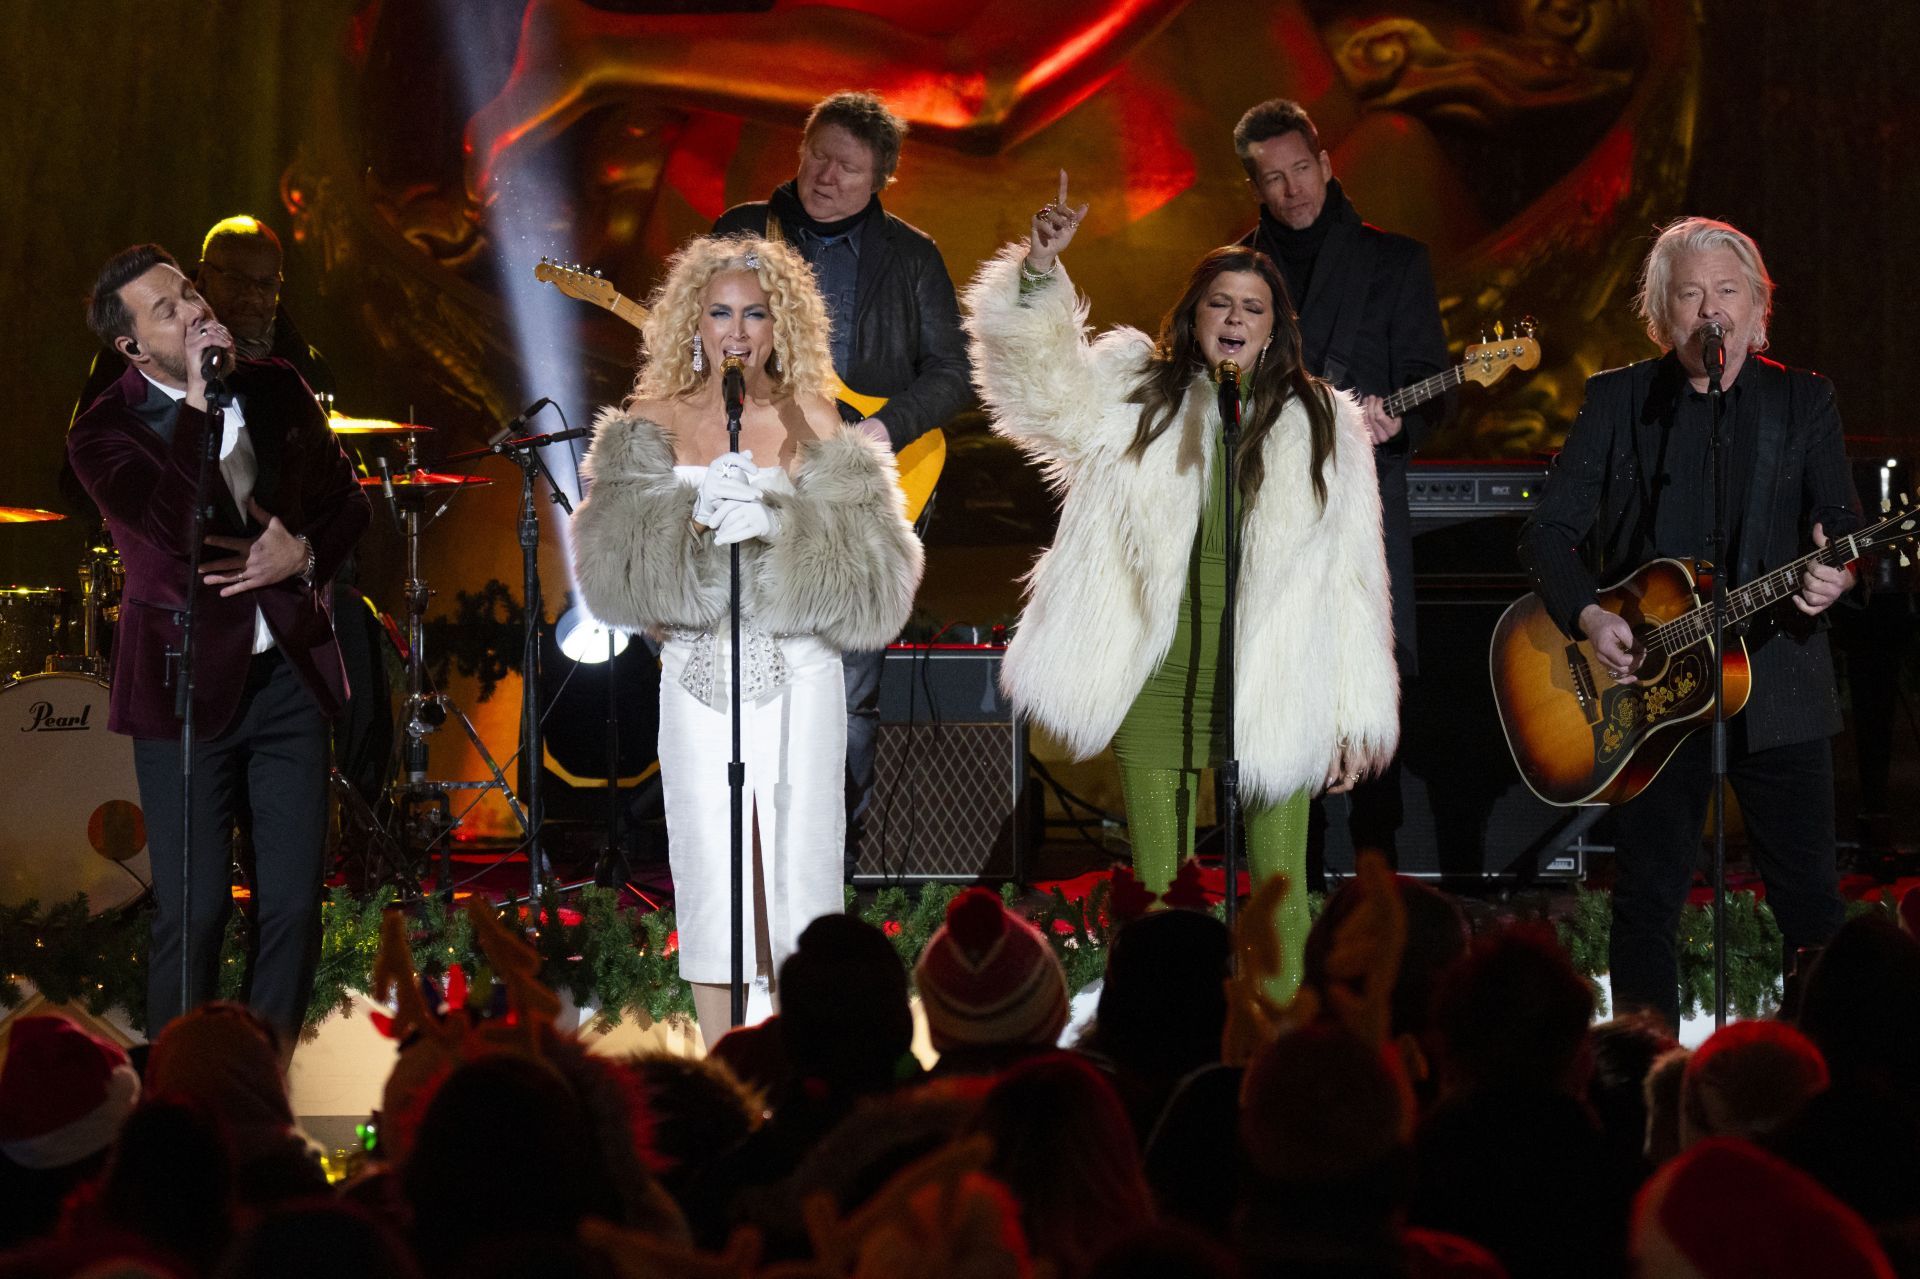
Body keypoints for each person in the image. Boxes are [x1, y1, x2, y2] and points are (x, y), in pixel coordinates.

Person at [964, 174, 1398, 1001]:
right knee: (1160, 885)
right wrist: (1037, 277)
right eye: (1220, 304)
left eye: (1252, 308)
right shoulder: (1134, 391)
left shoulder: (1324, 421)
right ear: (1193, 315)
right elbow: (1038, 396)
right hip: (1161, 671)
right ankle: (1166, 1029)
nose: (1234, 319)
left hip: (1274, 675)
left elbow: (1355, 580)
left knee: (1280, 885)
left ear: (1275, 330)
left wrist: (1353, 711)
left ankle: (1277, 1044)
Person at [572, 234, 922, 1041]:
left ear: (780, 325)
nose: (737, 329)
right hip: (698, 676)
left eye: (755, 314)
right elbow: (615, 580)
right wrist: (691, 529)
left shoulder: (813, 419)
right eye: (721, 311)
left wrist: (782, 525)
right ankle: (728, 1066)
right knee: (711, 872)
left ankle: (809, 1059)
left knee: (801, 872)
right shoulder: (646, 424)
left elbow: (876, 584)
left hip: (801, 670)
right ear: (692, 321)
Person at [1517, 216, 1857, 1029]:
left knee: (1812, 904)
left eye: (1728, 292)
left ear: (1757, 310)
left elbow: (1839, 522)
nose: (1712, 310)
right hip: (1652, 701)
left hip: (1778, 683)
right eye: (1692, 294)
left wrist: (1837, 572)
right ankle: (1645, 1080)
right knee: (1647, 900)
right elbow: (1547, 532)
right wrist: (1592, 614)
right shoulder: (1619, 400)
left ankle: (1826, 1081)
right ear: (1662, 314)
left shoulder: (1804, 399)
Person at [68, 243, 370, 1043]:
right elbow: (171, 533)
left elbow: (350, 502)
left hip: (288, 682)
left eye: (191, 291)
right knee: (195, 910)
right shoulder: (102, 433)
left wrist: (302, 552)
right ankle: (179, 1098)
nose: (197, 308)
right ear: (132, 347)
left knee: (294, 904)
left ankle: (256, 1089)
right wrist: (200, 407)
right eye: (168, 308)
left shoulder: (276, 387)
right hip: (182, 690)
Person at [712, 91, 972, 875]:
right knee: (744, 673)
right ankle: (747, 864)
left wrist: (878, 431)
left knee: (848, 690)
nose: (826, 176)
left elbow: (956, 375)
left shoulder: (913, 256)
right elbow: (680, 340)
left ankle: (832, 863)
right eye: (818, 155)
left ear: (879, 178)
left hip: (863, 489)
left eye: (848, 167)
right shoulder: (739, 232)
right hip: (755, 481)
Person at [1233, 98, 1451, 865]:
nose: (1293, 190)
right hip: (1266, 517)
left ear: (1326, 165)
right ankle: (1286, 885)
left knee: (1365, 692)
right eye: (1274, 179)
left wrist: (1404, 420)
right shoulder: (1237, 272)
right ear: (1256, 187)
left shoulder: (1394, 261)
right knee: (1277, 695)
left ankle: (1376, 879)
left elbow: (1434, 382)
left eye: (1302, 170)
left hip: (1361, 514)